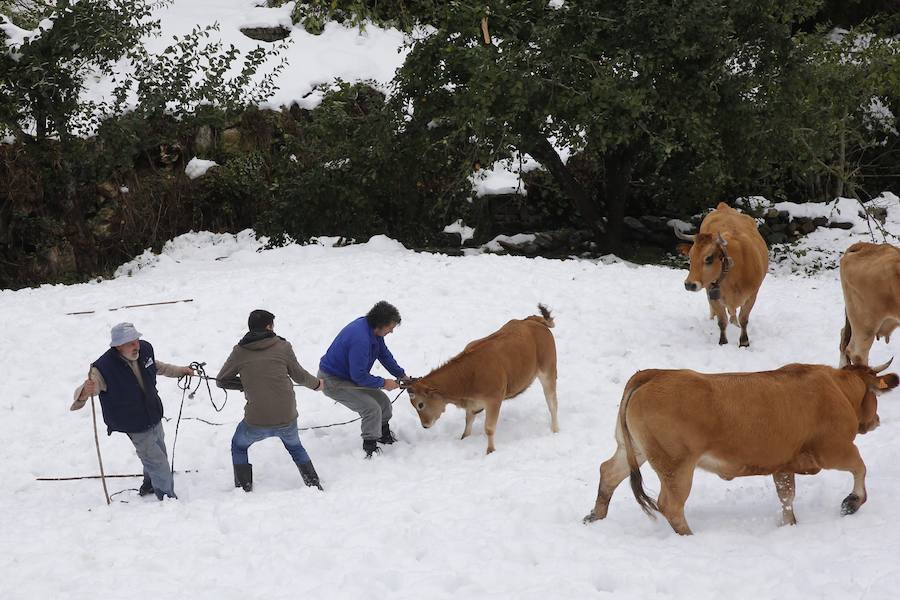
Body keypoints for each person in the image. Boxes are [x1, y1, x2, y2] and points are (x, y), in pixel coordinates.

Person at [71, 322, 194, 500]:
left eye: (137, 340)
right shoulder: (104, 368)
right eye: (131, 343)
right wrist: (85, 391)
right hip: (133, 422)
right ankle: (167, 498)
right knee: (157, 461)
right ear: (118, 346)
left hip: (153, 413)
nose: (136, 346)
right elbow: (90, 389)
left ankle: (150, 484)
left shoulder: (144, 350)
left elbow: (157, 366)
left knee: (159, 451)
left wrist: (181, 371)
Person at [216, 309, 325, 492]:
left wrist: (245, 383)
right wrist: (317, 385)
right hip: (286, 417)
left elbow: (221, 380)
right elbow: (299, 376)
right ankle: (313, 483)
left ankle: (244, 488)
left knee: (238, 445)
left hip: (256, 422)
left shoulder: (240, 352)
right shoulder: (283, 346)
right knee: (295, 447)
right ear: (269, 327)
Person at [318, 301, 408, 458]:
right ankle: (370, 447)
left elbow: (384, 355)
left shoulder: (372, 331)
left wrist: (401, 375)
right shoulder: (360, 338)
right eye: (390, 327)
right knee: (371, 408)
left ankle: (383, 434)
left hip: (350, 377)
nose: (392, 331)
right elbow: (359, 376)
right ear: (380, 324)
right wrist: (383, 383)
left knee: (384, 403)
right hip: (333, 380)